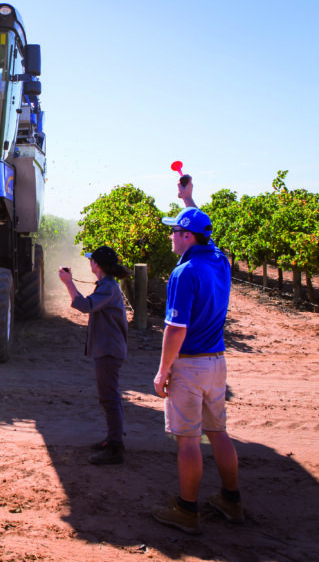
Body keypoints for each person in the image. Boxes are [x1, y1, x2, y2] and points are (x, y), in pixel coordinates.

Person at [151, 178, 243, 535]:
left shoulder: (183, 272)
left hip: (188, 366)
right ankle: (231, 501)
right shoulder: (219, 260)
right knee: (218, 433)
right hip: (217, 364)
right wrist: (188, 200)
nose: (171, 236)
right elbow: (205, 230)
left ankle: (187, 511)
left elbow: (176, 329)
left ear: (187, 237)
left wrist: (162, 372)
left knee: (188, 440)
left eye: (175, 231)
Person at [59, 246, 132, 465]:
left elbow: (85, 306)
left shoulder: (108, 287)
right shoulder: (107, 286)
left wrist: (68, 283)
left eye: (92, 260)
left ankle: (115, 447)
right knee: (110, 397)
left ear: (96, 265)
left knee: (109, 399)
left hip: (109, 351)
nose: (89, 263)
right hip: (108, 350)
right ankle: (112, 441)